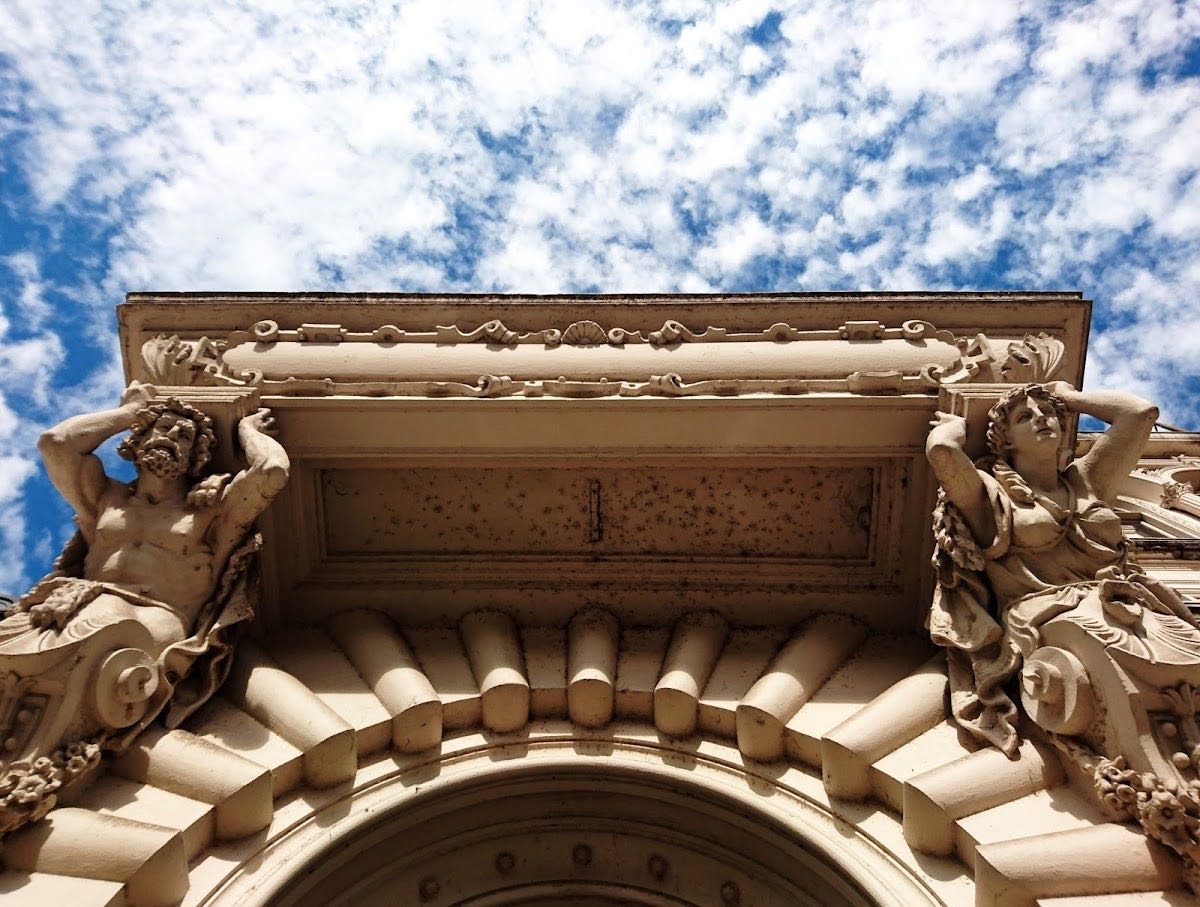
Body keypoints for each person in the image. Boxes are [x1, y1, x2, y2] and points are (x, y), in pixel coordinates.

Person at [926, 382, 1198, 756]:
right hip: (1052, 621)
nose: (1042, 419)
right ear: (1004, 441)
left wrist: (1068, 397)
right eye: (1025, 417)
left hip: (1136, 611)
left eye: (1048, 413)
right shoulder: (991, 497)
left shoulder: (1085, 481)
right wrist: (954, 426)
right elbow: (943, 451)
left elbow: (1139, 413)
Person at [0, 381, 288, 721]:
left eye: (185, 436)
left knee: (105, 624)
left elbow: (271, 472)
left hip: (152, 619)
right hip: (74, 607)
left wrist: (246, 429)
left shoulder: (212, 513)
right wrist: (130, 413)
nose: (173, 437)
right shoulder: (107, 498)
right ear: (139, 442)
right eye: (164, 428)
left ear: (196, 458)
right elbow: (56, 443)